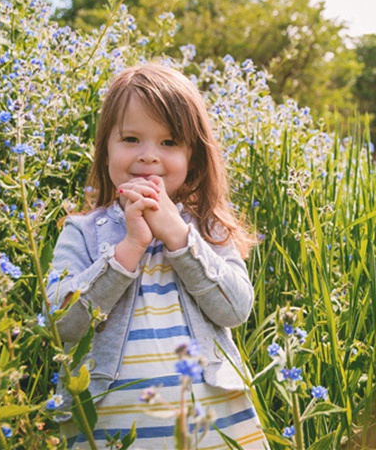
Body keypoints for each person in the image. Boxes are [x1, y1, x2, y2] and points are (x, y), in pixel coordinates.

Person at [47, 63, 268, 448]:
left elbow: (236, 309)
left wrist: (180, 238)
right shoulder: (82, 231)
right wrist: (127, 250)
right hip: (109, 426)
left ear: (193, 157)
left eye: (168, 143)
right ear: (106, 150)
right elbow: (61, 323)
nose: (149, 157)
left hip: (211, 425)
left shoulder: (206, 227)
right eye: (131, 139)